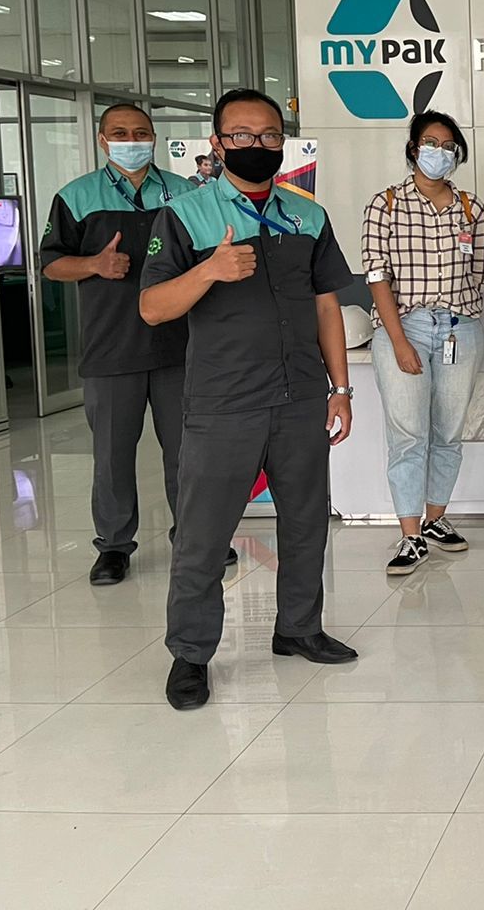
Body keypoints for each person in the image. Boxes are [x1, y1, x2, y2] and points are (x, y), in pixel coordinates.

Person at [141, 88, 358, 710]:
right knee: (204, 535)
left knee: (306, 521)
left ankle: (298, 628)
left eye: (268, 136)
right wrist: (209, 269)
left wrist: (340, 388)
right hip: (223, 403)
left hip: (300, 397)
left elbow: (326, 306)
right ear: (217, 143)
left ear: (282, 143)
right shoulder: (186, 215)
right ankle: (190, 654)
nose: (255, 145)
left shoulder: (307, 215)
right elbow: (152, 308)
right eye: (240, 135)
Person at [39, 103, 214, 586]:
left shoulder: (184, 192)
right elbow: (51, 263)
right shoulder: (77, 197)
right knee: (113, 457)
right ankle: (114, 547)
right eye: (120, 133)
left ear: (154, 137)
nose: (131, 141)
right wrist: (94, 265)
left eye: (140, 133)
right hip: (111, 349)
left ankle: (194, 539)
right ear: (102, 140)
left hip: (181, 347)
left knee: (189, 453)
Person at [362, 110, 484, 575]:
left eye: (448, 145)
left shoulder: (471, 209)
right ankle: (410, 535)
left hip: (461, 328)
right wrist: (399, 340)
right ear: (413, 148)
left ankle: (436, 519)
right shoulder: (386, 204)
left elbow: (481, 271)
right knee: (408, 434)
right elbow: (376, 275)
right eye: (430, 143)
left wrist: (460, 313)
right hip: (404, 326)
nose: (439, 152)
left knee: (449, 431)